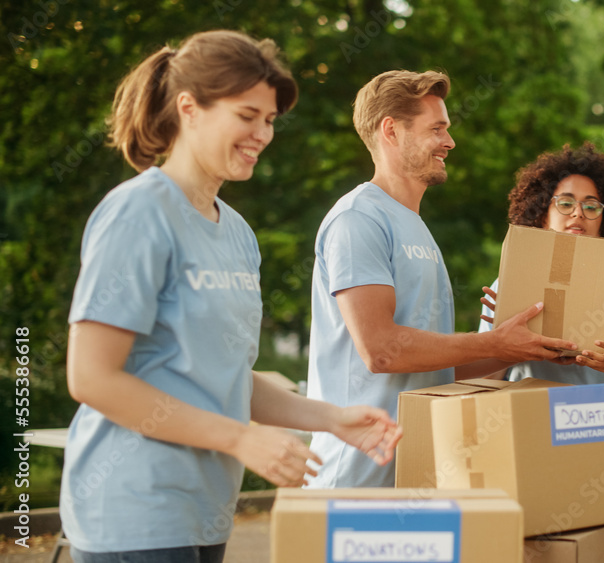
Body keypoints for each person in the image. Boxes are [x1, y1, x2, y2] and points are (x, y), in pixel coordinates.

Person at [63, 30, 401, 562]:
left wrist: (331, 419)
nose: (262, 134)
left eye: (268, 120)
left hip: (205, 512)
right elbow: (91, 377)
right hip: (133, 511)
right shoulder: (138, 213)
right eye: (247, 116)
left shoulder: (237, 233)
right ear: (189, 109)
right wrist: (241, 440)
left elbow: (224, 376)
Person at [306, 70, 577, 489]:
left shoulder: (416, 227)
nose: (450, 142)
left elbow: (440, 367)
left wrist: (521, 347)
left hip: (416, 472)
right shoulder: (358, 218)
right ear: (391, 131)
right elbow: (381, 351)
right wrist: (493, 342)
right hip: (355, 481)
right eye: (437, 129)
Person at [478, 142, 604, 384]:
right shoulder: (510, 281)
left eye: (591, 206)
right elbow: (486, 379)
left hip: (599, 416)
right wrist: (507, 346)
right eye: (565, 203)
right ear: (542, 214)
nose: (578, 213)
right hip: (529, 415)